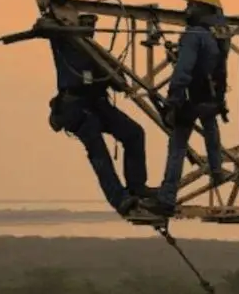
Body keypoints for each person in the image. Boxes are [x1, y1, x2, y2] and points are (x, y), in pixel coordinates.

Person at [42, 12, 160, 222]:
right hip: (77, 108)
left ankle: (136, 187)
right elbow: (47, 24)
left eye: (91, 25)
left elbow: (118, 82)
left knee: (134, 133)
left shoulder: (96, 53)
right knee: (99, 152)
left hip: (98, 104)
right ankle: (120, 199)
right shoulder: (65, 45)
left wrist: (114, 75)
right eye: (85, 24)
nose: (89, 29)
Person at [148, 0, 231, 217]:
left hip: (192, 98)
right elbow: (219, 9)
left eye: (191, 5)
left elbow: (183, 71)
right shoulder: (221, 31)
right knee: (211, 132)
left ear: (201, 8)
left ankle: (167, 197)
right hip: (213, 97)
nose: (187, 10)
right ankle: (217, 172)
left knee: (177, 146)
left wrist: (172, 102)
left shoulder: (194, 35)